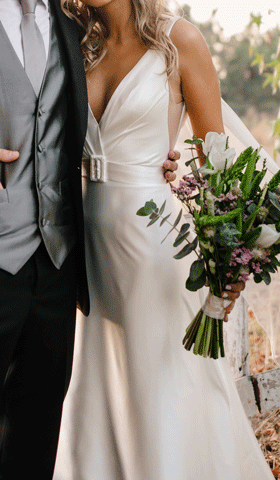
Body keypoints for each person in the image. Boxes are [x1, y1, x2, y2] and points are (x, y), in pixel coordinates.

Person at [53, 0, 274, 479]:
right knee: (97, 395)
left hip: (159, 251)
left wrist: (226, 266)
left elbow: (220, 169)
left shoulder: (179, 41)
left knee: (165, 396)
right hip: (83, 252)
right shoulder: (72, 42)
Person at [0, 1, 183, 479]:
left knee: (37, 434)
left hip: (63, 268)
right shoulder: (85, 34)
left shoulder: (72, 30)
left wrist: (178, 161)